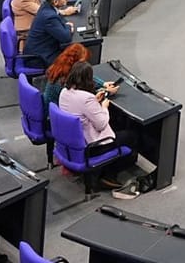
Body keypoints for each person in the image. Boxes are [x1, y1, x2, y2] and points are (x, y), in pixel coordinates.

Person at [56, 62, 137, 190]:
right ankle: (108, 175)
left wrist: (94, 100)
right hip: (91, 146)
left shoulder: (64, 92)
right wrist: (103, 107)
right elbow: (101, 124)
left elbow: (79, 109)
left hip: (71, 143)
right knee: (130, 136)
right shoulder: (86, 98)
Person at [23, 0, 80, 67]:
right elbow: (66, 37)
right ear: (55, 1)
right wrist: (69, 27)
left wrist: (66, 26)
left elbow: (60, 19)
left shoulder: (46, 6)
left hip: (42, 48)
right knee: (74, 61)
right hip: (39, 58)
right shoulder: (49, 17)